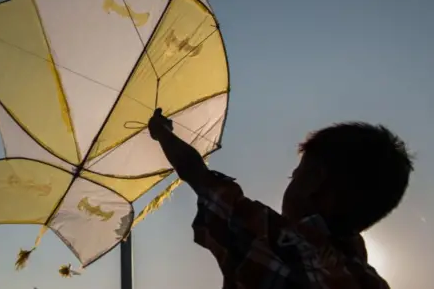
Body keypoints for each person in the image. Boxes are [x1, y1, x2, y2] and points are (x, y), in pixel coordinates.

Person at [147, 108, 413, 288]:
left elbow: (199, 177)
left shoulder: (269, 238)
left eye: (295, 175)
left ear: (313, 181)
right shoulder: (371, 282)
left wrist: (162, 134)